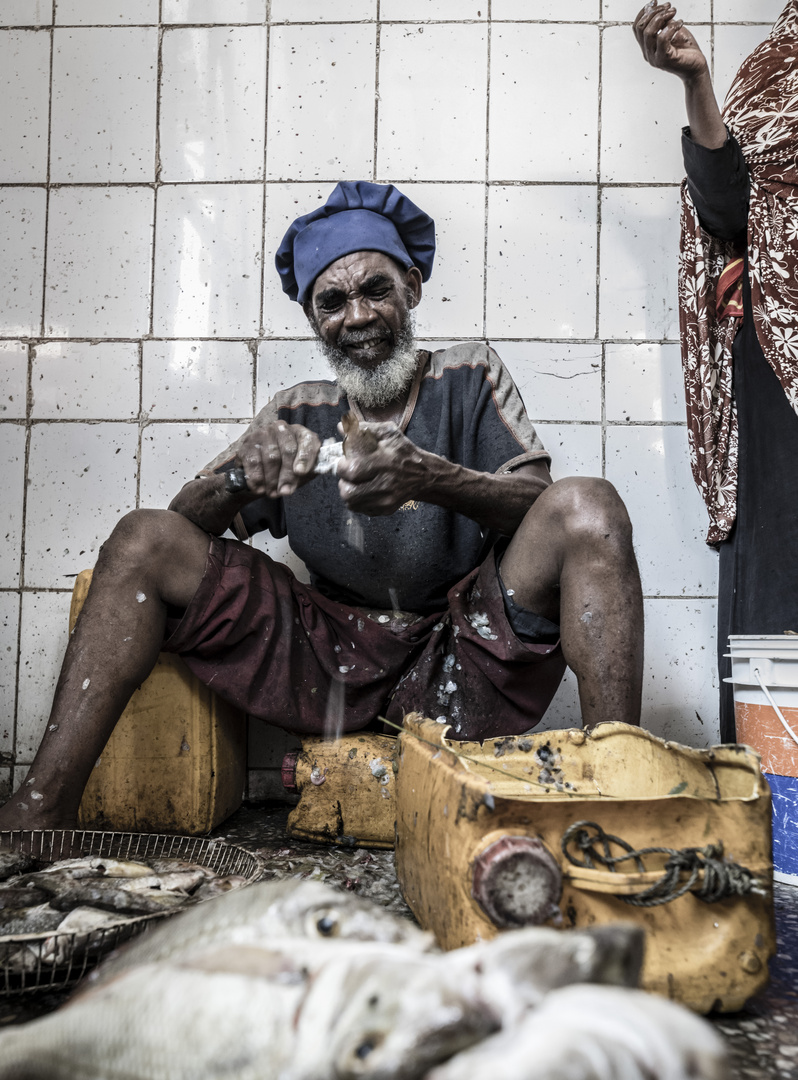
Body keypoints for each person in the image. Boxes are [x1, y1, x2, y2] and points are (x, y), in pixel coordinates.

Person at [0, 181, 644, 831]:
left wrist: (432, 478)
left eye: (376, 289)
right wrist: (240, 479)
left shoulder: (469, 376)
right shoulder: (297, 411)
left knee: (590, 505)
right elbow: (175, 530)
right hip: (329, 659)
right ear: (314, 320)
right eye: (332, 301)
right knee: (139, 537)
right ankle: (39, 811)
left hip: (464, 652)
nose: (357, 316)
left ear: (413, 288)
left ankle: (621, 798)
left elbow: (539, 504)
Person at [633, 2, 798, 741]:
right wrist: (695, 83)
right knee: (779, 581)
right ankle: (780, 801)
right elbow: (729, 208)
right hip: (781, 367)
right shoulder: (775, 73)